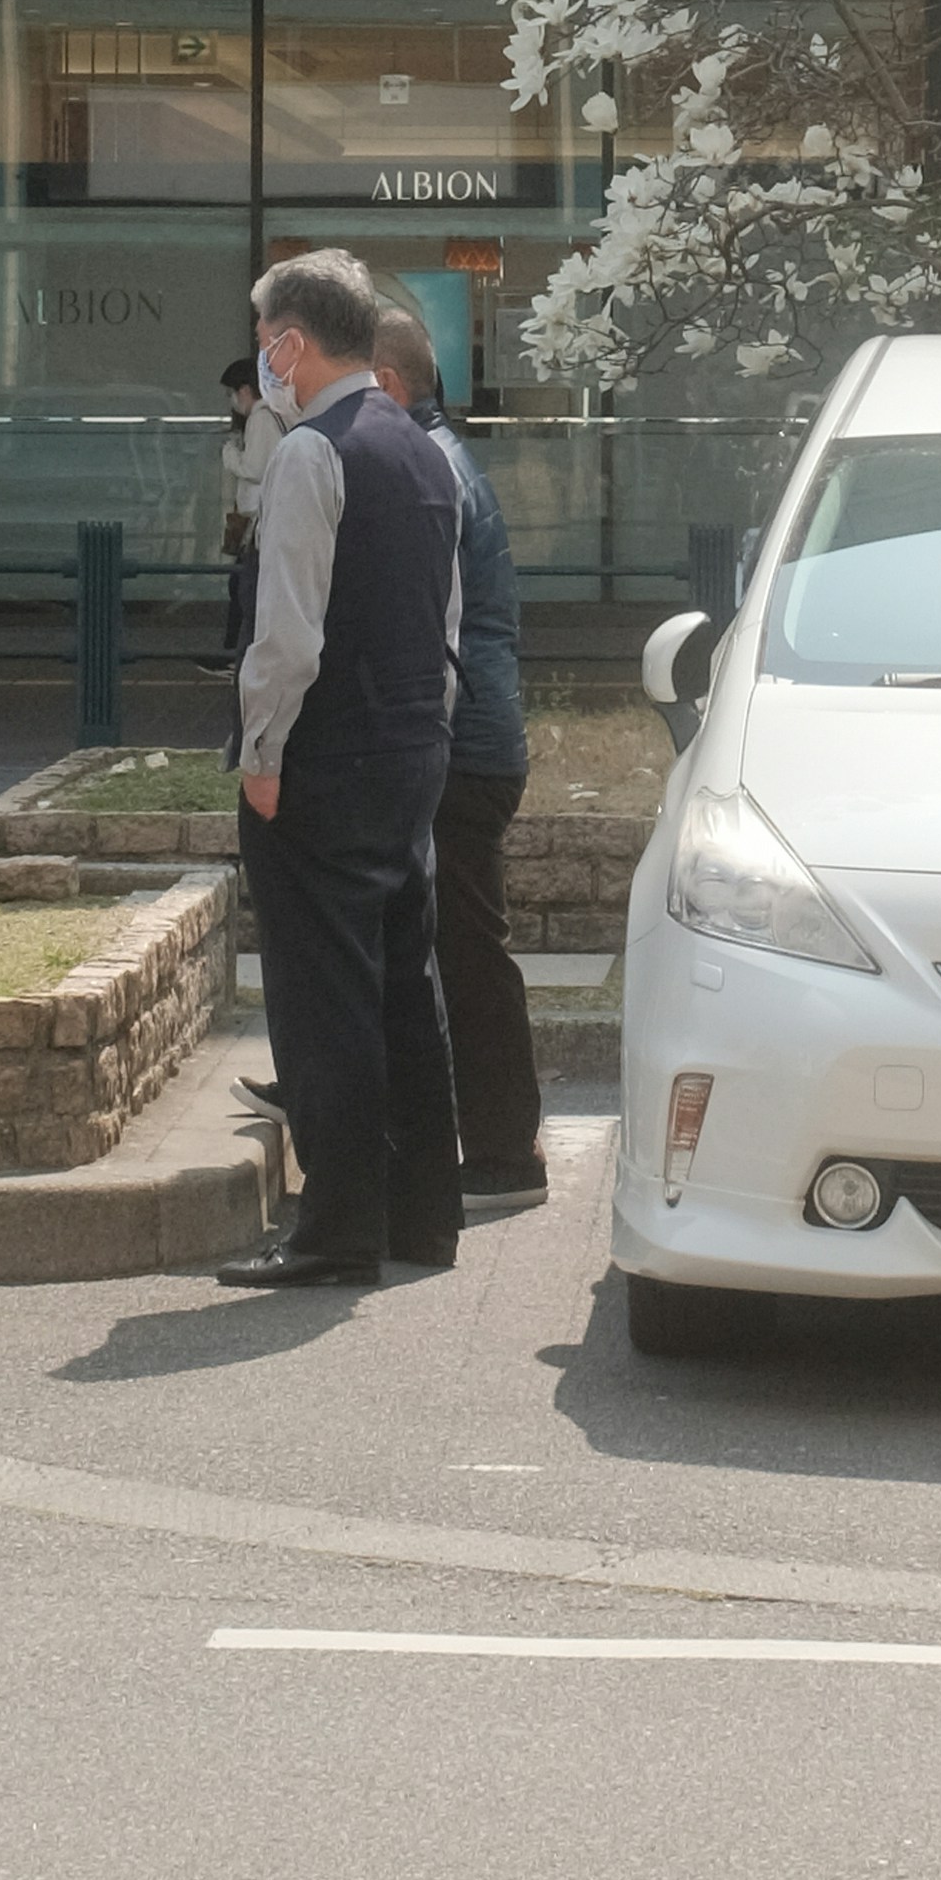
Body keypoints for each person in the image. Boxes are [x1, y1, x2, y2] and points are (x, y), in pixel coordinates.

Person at [214, 245, 464, 1293]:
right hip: (410, 745)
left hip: (325, 755)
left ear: (291, 344)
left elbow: (286, 636)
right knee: (406, 985)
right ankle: (425, 1216)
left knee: (325, 1002)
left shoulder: (312, 454)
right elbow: (445, 618)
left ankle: (336, 1231)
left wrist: (260, 752)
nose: (263, 359)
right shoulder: (421, 446)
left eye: (264, 339)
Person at [369, 309, 544, 1202]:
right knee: (445, 947)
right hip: (475, 736)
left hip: (461, 747)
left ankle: (506, 1155)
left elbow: (426, 629)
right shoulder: (442, 455)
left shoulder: (425, 466)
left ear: (388, 385)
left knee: (467, 954)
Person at [212, 351, 281, 676]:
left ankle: (238, 658)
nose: (232, 399)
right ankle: (237, 656)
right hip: (264, 517)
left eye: (233, 391)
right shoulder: (272, 416)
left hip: (258, 519)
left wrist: (230, 455)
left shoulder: (262, 418)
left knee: (244, 589)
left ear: (245, 389)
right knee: (245, 588)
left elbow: (254, 468)